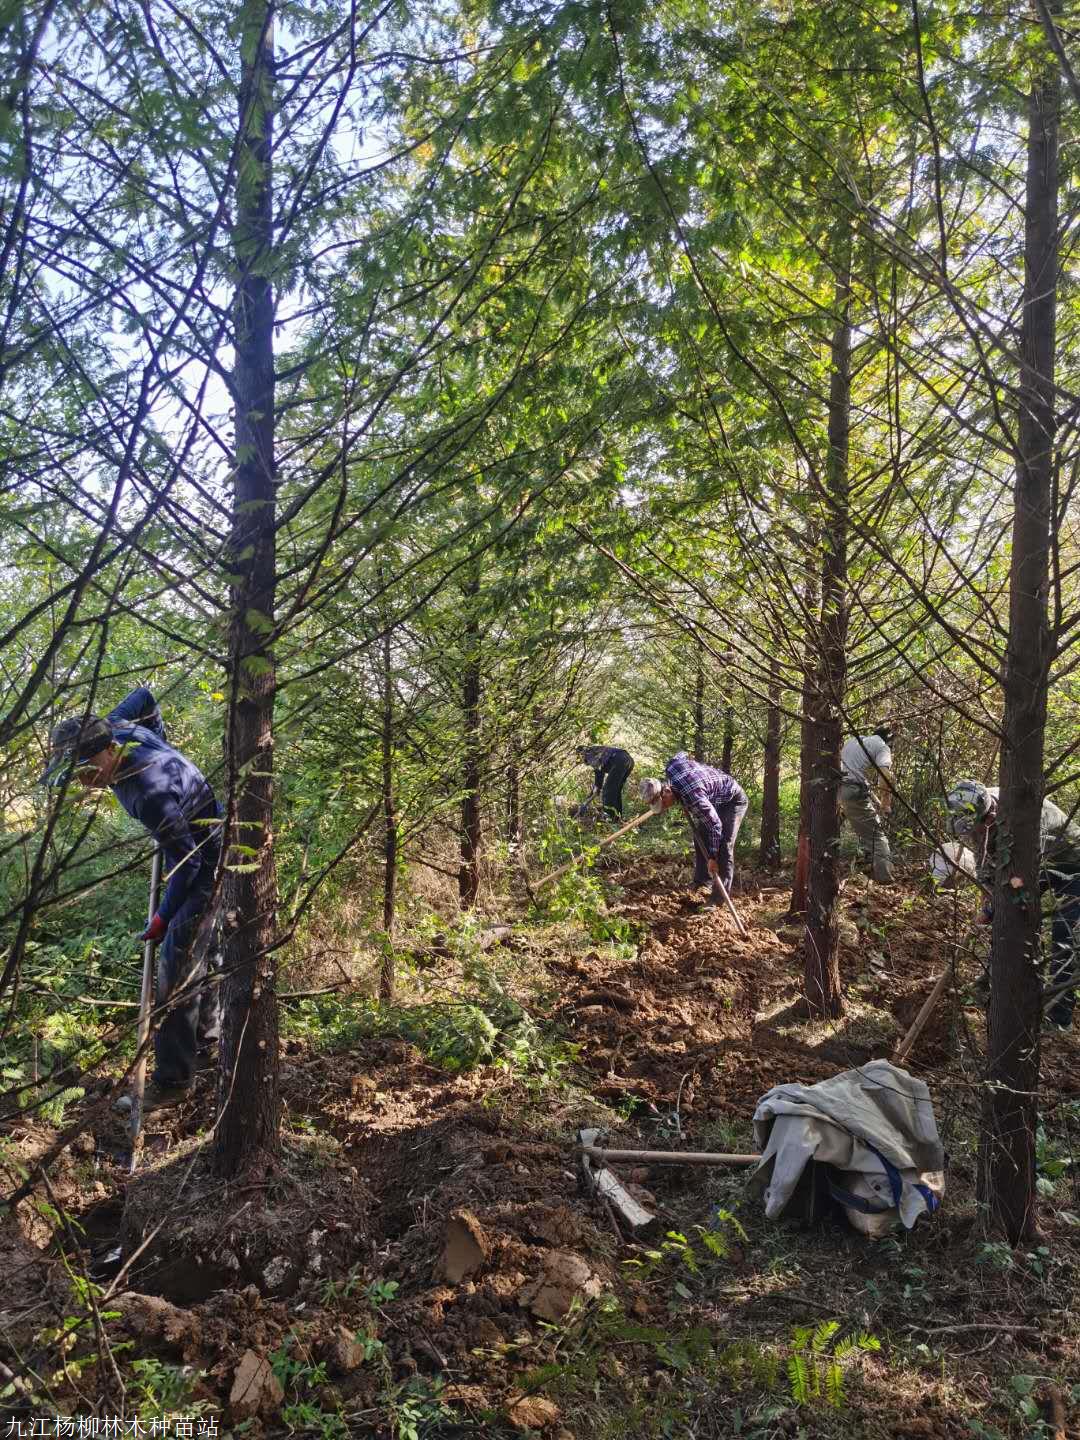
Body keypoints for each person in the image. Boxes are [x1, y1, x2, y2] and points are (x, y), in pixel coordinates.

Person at [42, 686, 222, 1105]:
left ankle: (173, 1083)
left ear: (107, 751)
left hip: (205, 860)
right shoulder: (118, 726)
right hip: (188, 837)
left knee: (175, 962)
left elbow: (188, 866)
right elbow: (143, 695)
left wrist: (161, 918)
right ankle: (208, 1043)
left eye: (86, 770)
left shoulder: (149, 794)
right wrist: (164, 738)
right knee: (198, 948)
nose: (83, 781)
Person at [946, 779, 1080, 1031]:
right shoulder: (976, 809)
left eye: (980, 827)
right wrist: (987, 899)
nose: (976, 832)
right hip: (1039, 863)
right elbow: (984, 859)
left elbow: (1024, 875)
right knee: (1005, 916)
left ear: (991, 815)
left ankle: (1059, 1019)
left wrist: (995, 906)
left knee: (1064, 935)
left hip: (1072, 865)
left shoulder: (1026, 820)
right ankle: (990, 980)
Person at [640, 752, 748, 903]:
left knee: (724, 846)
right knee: (700, 837)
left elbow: (715, 825)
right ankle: (702, 883)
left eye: (664, 804)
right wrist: (682, 795)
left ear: (666, 792)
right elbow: (681, 754)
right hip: (711, 797)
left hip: (732, 799)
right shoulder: (671, 768)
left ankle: (718, 899)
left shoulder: (695, 800)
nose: (664, 808)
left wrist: (712, 857)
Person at [839, 725, 895, 884]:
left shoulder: (855, 741)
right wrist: (885, 804)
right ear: (889, 741)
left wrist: (876, 800)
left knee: (833, 829)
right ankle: (885, 880)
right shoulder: (883, 747)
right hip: (852, 792)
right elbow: (885, 777)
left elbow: (852, 771)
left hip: (838, 790)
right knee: (877, 837)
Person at [578, 744, 635, 820]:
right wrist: (596, 789)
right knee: (615, 791)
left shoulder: (589, 754)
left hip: (620, 760)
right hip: (629, 760)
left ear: (581, 754)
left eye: (580, 758)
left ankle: (609, 818)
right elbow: (599, 774)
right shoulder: (595, 751)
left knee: (608, 791)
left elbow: (599, 773)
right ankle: (617, 818)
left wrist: (597, 788)